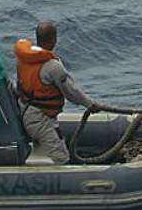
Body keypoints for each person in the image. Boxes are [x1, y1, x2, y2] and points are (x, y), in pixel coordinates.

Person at [14, 21, 104, 165]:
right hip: (40, 119)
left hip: (25, 111)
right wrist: (90, 104)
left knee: (58, 141)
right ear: (53, 39)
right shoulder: (53, 67)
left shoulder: (23, 59)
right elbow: (71, 93)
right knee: (61, 157)